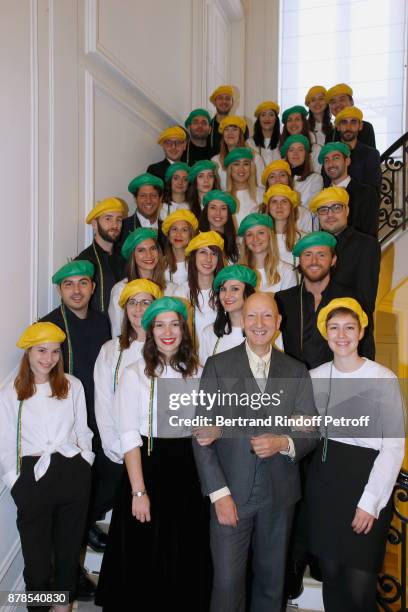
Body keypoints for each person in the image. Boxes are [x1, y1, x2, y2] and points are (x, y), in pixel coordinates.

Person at [193, 291, 318, 612]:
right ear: (242, 322)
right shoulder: (218, 366)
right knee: (226, 582)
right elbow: (201, 435)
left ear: (278, 323)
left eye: (267, 317)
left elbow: (309, 431)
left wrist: (283, 443)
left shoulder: (297, 370)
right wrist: (218, 494)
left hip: (279, 494)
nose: (259, 324)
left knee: (271, 581)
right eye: (252, 316)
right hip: (231, 492)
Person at [95, 297, 211, 611]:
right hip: (146, 468)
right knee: (142, 558)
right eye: (160, 325)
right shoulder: (134, 374)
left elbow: (208, 426)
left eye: (175, 323)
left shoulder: (200, 372)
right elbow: (129, 435)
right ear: (151, 330)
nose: (168, 331)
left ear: (184, 330)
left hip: (189, 470)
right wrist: (138, 491)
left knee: (185, 555)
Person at [304, 297, 405, 612]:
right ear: (326, 332)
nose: (342, 335)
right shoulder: (314, 377)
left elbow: (393, 446)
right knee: (331, 580)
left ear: (361, 332)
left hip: (366, 482)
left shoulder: (383, 378)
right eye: (334, 327)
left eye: (349, 327)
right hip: (325, 485)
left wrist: (370, 502)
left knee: (360, 590)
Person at [0, 322, 94, 612]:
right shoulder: (11, 391)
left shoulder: (71, 384)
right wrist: (15, 480)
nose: (48, 358)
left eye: (55, 351)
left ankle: (63, 606)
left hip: (72, 471)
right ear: (28, 352)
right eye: (41, 350)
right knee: (37, 564)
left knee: (67, 555)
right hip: (33, 476)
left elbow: (83, 430)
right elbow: (6, 442)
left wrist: (85, 461)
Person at [40, 261, 111, 576]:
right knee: (68, 499)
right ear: (59, 290)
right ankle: (68, 577)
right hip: (64, 425)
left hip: (101, 414)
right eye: (69, 284)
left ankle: (85, 528)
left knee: (111, 477)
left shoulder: (103, 321)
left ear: (93, 287)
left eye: (83, 283)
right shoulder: (48, 325)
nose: (77, 290)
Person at [275, 231, 375, 369]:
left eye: (321, 255)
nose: (314, 261)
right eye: (308, 254)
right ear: (300, 260)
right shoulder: (283, 300)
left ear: (333, 260)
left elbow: (366, 346)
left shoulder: (352, 298)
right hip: (295, 383)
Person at [94, 279, 162, 469]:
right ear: (124, 309)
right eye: (132, 302)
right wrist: (117, 447)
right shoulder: (109, 350)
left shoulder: (166, 348)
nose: (138, 308)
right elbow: (103, 402)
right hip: (119, 449)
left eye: (145, 302)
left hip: (157, 448)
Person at [309, 187, 381, 316]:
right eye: (323, 210)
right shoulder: (312, 246)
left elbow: (366, 300)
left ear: (347, 211)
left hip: (347, 325)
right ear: (318, 216)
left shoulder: (366, 245)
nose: (330, 214)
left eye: (336, 208)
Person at [109, 227, 166, 337]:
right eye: (141, 250)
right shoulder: (120, 290)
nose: (149, 255)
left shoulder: (171, 288)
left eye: (153, 248)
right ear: (132, 256)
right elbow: (117, 332)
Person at [173, 231, 224, 348]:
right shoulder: (181, 293)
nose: (208, 259)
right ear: (193, 257)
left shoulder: (225, 291)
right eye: (203, 252)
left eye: (214, 254)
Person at [76, 197, 127, 315]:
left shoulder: (125, 257)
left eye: (118, 220)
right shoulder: (84, 261)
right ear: (94, 224)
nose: (115, 225)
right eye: (108, 219)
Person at [319, 142, 379, 238]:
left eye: (336, 158)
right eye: (326, 160)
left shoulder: (367, 193)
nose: (330, 164)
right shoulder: (322, 195)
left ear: (347, 161)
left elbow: (370, 235)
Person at [199, 264, 256, 364]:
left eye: (235, 289)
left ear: (248, 293)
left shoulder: (264, 331)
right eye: (223, 289)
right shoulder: (209, 333)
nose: (227, 295)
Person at [238, 212, 297, 293]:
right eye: (249, 234)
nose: (255, 239)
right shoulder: (237, 272)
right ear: (245, 240)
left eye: (261, 233)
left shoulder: (287, 271)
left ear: (270, 236)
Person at [332, 107, 381, 192]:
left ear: (360, 126)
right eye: (344, 122)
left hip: (362, 204)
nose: (348, 127)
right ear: (338, 127)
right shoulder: (329, 155)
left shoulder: (371, 155)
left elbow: (373, 192)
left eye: (353, 122)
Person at [281, 134, 323, 227]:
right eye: (291, 150)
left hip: (305, 229)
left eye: (300, 149)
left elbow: (312, 208)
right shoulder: (280, 179)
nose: (296, 153)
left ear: (306, 154)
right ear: (287, 154)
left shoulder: (316, 179)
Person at [212, 116, 263, 189]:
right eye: (226, 129)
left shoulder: (255, 158)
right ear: (223, 135)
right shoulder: (215, 160)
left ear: (241, 134)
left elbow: (262, 186)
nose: (230, 133)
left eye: (234, 129)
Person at [261, 183, 304, 268]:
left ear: (291, 207)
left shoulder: (303, 238)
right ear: (268, 208)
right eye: (274, 202)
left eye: (284, 201)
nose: (279, 206)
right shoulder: (259, 239)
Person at [122, 172, 167, 249]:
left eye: (153, 195)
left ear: (160, 199)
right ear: (135, 199)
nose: (148, 201)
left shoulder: (167, 229)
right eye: (143, 196)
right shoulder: (122, 227)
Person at [326, 83, 376, 148]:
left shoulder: (365, 127)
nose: (338, 104)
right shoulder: (330, 134)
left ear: (352, 102)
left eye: (342, 100)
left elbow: (370, 156)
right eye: (333, 102)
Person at [198, 189, 239, 263]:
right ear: (206, 211)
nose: (218, 213)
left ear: (228, 213)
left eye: (223, 208)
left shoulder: (238, 246)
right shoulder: (196, 241)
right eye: (213, 208)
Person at [162, 209, 198, 288]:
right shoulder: (160, 264)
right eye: (174, 229)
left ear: (191, 235)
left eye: (184, 230)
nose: (178, 234)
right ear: (168, 234)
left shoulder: (198, 263)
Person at [225, 147, 261, 225]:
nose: (241, 169)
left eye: (246, 164)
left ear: (251, 168)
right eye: (236, 164)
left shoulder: (262, 194)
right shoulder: (223, 197)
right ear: (230, 169)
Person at [304, 85, 333, 170]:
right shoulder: (303, 129)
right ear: (308, 104)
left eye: (321, 99)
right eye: (313, 100)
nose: (317, 103)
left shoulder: (334, 128)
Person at [247, 100, 281, 166]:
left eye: (271, 115)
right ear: (259, 119)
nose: (267, 118)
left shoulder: (282, 142)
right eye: (263, 115)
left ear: (276, 119)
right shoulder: (249, 143)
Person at [208, 84, 235, 153]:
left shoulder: (240, 127)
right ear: (214, 102)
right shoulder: (207, 127)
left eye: (227, 98)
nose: (224, 102)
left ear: (232, 103)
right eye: (220, 98)